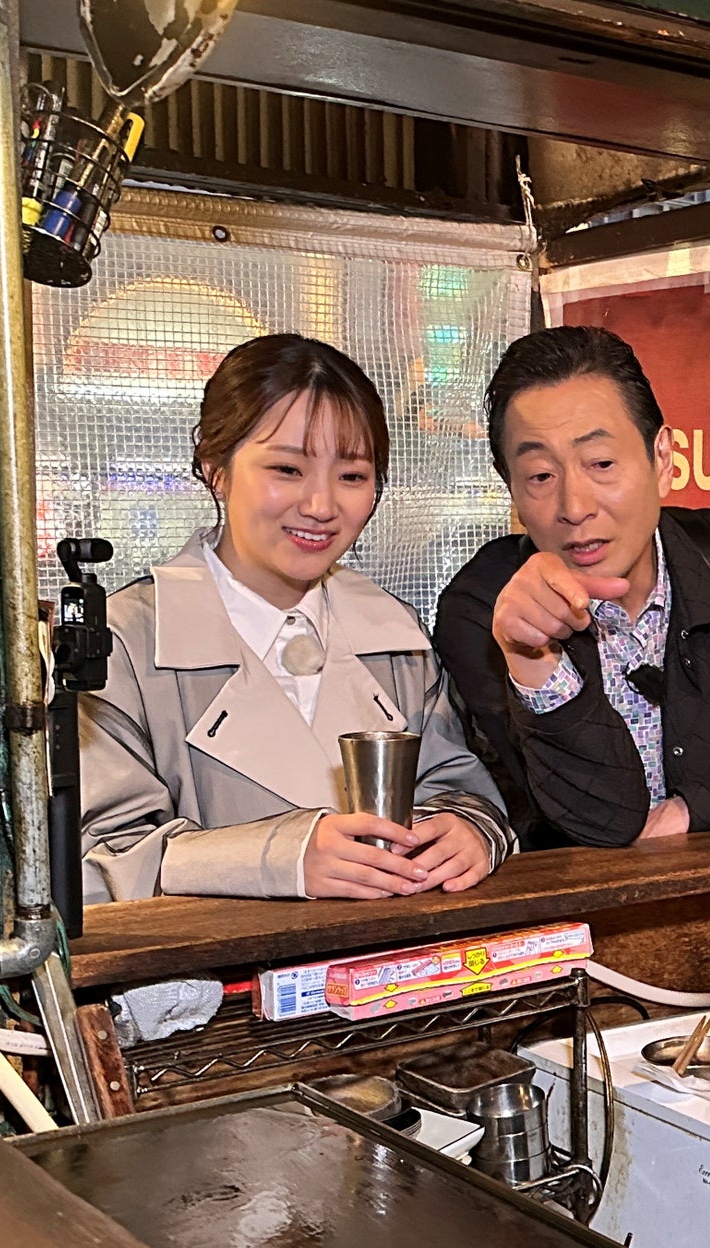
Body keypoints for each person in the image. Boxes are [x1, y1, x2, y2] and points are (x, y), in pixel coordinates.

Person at [80, 334, 512, 903]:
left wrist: (469, 831)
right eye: (287, 469)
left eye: (352, 476)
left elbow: (458, 788)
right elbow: (97, 860)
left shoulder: (394, 633)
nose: (321, 506)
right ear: (215, 467)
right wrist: (280, 858)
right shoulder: (124, 642)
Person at [432, 326, 710, 849]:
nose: (574, 507)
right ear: (511, 487)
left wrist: (695, 810)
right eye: (539, 475)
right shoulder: (482, 609)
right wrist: (533, 662)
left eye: (601, 463)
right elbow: (600, 821)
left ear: (663, 460)